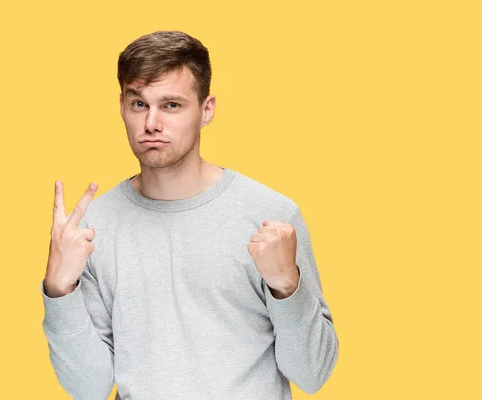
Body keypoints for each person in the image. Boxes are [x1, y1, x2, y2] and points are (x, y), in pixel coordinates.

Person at [40, 30, 339, 400]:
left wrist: (287, 287)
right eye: (138, 104)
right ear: (121, 107)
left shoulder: (272, 217)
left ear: (207, 109)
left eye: (171, 105)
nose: (151, 123)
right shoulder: (88, 231)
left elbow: (314, 374)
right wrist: (59, 291)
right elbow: (89, 389)